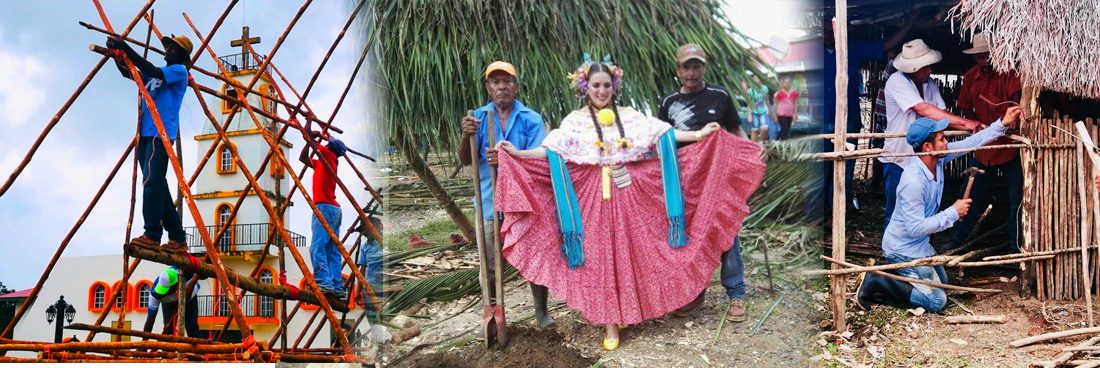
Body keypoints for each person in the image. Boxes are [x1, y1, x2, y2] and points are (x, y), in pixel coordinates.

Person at [495, 59, 765, 350]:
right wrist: (519, 153)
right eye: (596, 85)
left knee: (630, 253)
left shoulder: (629, 116)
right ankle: (611, 323)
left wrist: (700, 135)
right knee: (601, 258)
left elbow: (661, 135)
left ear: (614, 87)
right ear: (586, 87)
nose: (602, 91)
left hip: (628, 195)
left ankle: (627, 311)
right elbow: (552, 149)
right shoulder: (575, 121)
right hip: (593, 198)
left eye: (607, 85)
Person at [857, 107, 1021, 312]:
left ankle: (899, 279)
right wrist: (952, 212)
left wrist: (1002, 124)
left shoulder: (938, 159)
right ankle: (877, 279)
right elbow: (915, 228)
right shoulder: (913, 182)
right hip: (902, 248)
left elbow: (971, 142)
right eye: (942, 139)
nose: (947, 143)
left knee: (942, 279)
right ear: (928, 147)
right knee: (937, 300)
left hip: (920, 246)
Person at [456, 61, 555, 330]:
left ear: (516, 86)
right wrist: (467, 137)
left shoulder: (531, 119)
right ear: (488, 88)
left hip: (524, 204)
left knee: (534, 258)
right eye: (496, 82)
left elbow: (538, 163)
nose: (502, 86)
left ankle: (541, 312)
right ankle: (492, 313)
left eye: (507, 81)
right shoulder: (477, 119)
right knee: (488, 265)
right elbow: (466, 160)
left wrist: (507, 160)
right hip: (489, 203)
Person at [657, 43, 749, 323]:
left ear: (704, 69)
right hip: (686, 183)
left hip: (719, 179)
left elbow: (736, 130)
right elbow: (662, 140)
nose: (692, 72)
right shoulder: (668, 103)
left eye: (697, 66)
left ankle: (736, 294)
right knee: (691, 236)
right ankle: (695, 294)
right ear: (678, 70)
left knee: (726, 232)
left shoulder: (719, 96)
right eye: (687, 66)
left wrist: (749, 160)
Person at [881, 39, 982, 228]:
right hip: (900, 157)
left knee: (926, 210)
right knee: (896, 213)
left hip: (925, 160)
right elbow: (925, 109)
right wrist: (967, 123)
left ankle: (921, 250)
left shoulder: (929, 83)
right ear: (912, 68)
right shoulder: (896, 81)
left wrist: (975, 128)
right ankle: (893, 251)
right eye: (926, 67)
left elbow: (940, 118)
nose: (930, 71)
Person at [107, 34, 194, 253]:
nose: (167, 52)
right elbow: (132, 73)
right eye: (167, 48)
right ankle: (177, 237)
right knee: (157, 184)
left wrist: (126, 47)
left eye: (172, 49)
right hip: (145, 134)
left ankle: (152, 233)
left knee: (151, 183)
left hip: (160, 133)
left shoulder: (178, 71)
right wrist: (117, 57)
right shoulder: (156, 75)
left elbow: (152, 70)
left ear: (183, 55)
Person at [942, 33, 1023, 253]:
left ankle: (1016, 246)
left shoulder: (1009, 75)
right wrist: (977, 124)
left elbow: (1017, 105)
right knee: (968, 195)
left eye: (987, 56)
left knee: (1017, 198)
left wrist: (1010, 124)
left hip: (1009, 147)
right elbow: (966, 109)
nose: (984, 61)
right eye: (980, 57)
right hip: (984, 148)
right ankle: (958, 240)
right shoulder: (970, 78)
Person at [298, 123, 348, 299]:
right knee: (331, 250)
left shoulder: (327, 154)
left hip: (324, 207)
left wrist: (310, 126)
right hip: (334, 209)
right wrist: (314, 138)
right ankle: (337, 286)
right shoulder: (326, 161)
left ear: (329, 147)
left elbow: (306, 136)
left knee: (317, 247)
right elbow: (303, 158)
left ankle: (324, 283)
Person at [141, 266, 202, 338]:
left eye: (166, 290)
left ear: (176, 284)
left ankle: (195, 348)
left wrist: (195, 279)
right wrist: (144, 345)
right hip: (168, 302)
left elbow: (203, 274)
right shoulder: (155, 294)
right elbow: (150, 320)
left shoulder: (188, 272)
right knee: (168, 331)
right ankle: (168, 348)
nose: (163, 293)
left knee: (192, 327)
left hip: (189, 299)